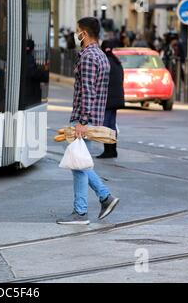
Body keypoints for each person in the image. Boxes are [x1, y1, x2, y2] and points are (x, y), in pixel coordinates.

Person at [57, 17, 120, 225]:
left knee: (79, 164)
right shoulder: (100, 55)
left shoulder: (88, 57)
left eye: (78, 31)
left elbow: (88, 92)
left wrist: (82, 122)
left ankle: (81, 212)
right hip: (93, 116)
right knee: (80, 162)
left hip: (84, 118)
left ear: (84, 32)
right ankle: (105, 198)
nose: (76, 35)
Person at [97, 40, 125, 159]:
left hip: (107, 99)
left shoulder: (104, 62)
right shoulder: (117, 61)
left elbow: (100, 81)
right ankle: (113, 149)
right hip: (117, 98)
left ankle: (108, 150)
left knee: (106, 124)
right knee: (111, 124)